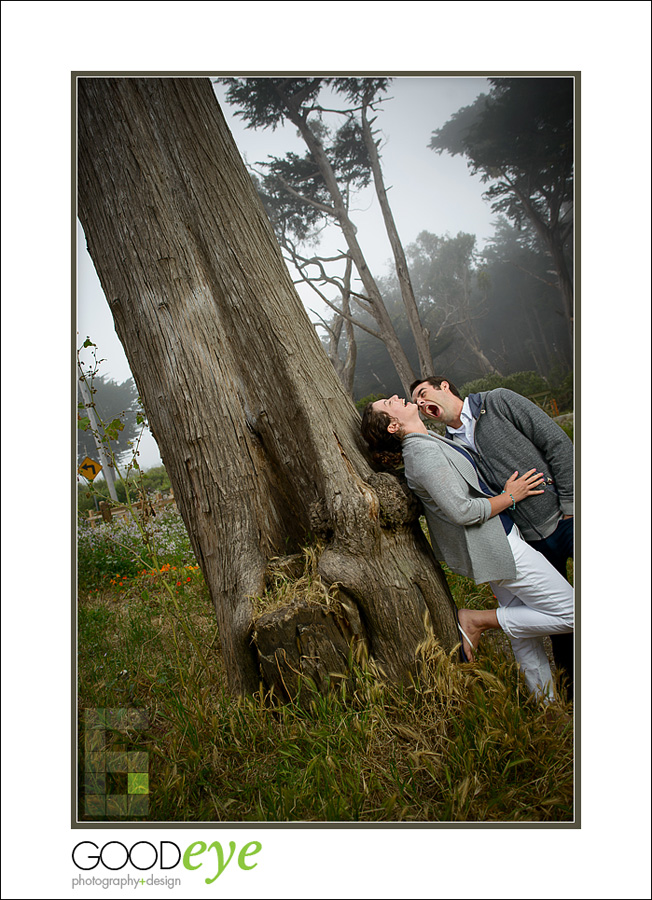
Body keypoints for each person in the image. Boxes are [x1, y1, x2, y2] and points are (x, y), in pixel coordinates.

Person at [361, 395, 574, 703]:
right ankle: (477, 620)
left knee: (526, 640)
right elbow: (461, 511)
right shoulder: (421, 454)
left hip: (498, 540)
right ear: (393, 425)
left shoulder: (428, 439)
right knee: (571, 613)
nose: (397, 397)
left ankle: (547, 707)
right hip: (497, 546)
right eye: (389, 402)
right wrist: (511, 496)